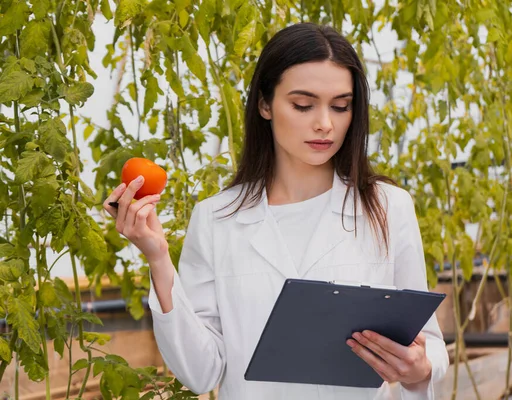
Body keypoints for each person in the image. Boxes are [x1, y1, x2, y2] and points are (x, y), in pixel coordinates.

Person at [103, 22, 449, 400]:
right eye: (302, 105)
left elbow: (426, 344)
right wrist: (158, 258)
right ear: (265, 104)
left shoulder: (387, 208)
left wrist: (420, 369)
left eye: (341, 106)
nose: (325, 124)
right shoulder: (216, 220)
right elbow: (201, 373)